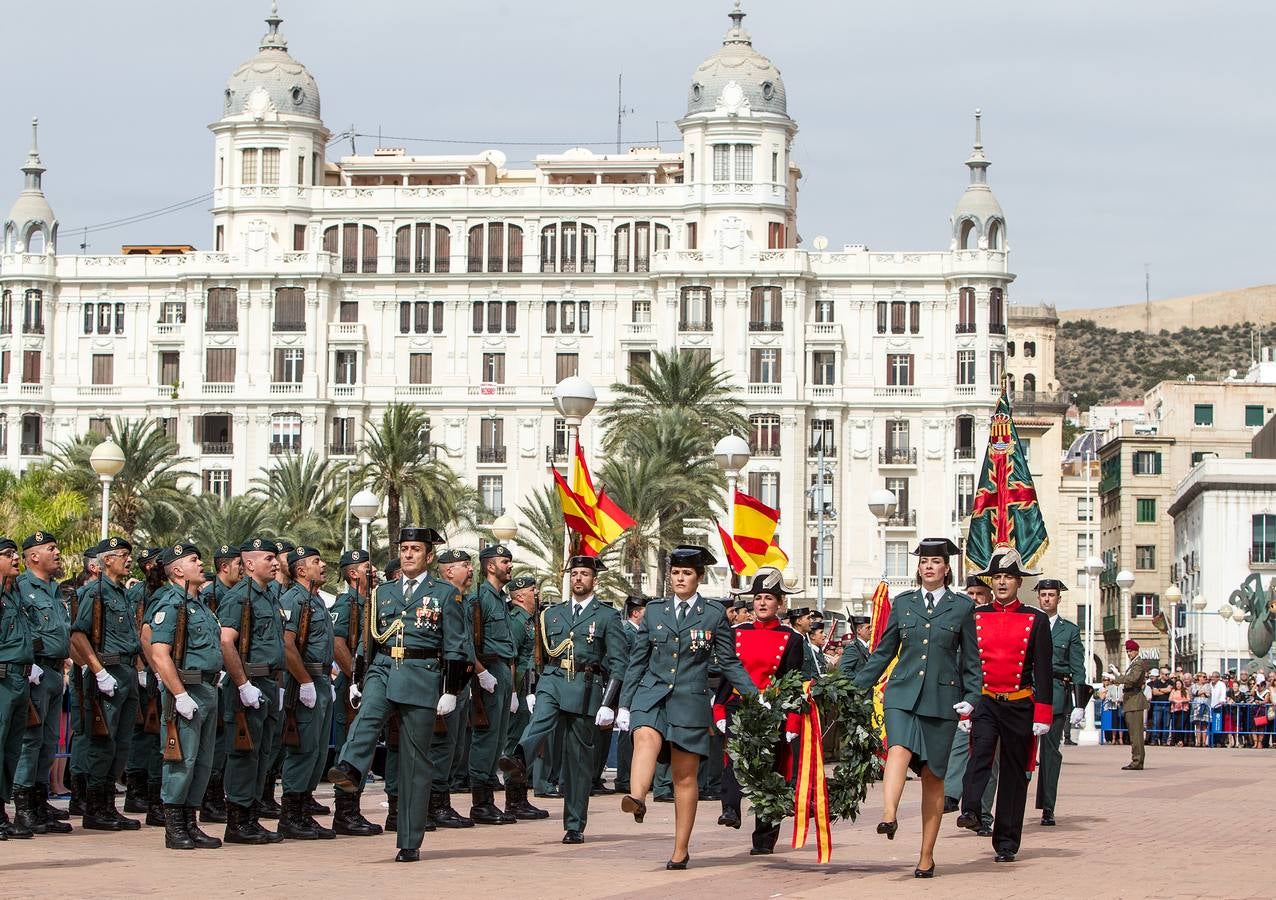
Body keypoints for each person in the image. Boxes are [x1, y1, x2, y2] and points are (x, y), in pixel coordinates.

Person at [617, 545, 758, 870]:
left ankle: (680, 850)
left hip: (690, 700)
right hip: (652, 694)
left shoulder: (711, 614)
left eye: (687, 573)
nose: (680, 579)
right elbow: (637, 661)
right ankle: (637, 798)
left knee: (683, 777)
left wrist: (753, 693)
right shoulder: (654, 611)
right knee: (645, 738)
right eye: (676, 573)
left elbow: (729, 663)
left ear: (699, 577)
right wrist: (624, 704)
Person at [334, 526, 469, 863]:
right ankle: (351, 767)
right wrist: (357, 678)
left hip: (422, 675)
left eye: (415, 549)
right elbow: (369, 639)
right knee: (366, 718)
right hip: (383, 668)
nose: (408, 554)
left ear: (429, 555)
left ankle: (409, 839)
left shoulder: (444, 594)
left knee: (413, 761)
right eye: (404, 548)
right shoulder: (383, 592)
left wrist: (450, 690)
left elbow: (456, 646)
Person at [852, 538, 980, 878]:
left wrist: (972, 697)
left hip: (942, 700)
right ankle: (889, 814)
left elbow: (971, 661)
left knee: (933, 778)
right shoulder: (904, 603)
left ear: (947, 568)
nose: (928, 566)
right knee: (897, 748)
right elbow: (883, 651)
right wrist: (854, 687)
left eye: (936, 561)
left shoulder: (962, 607)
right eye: (924, 561)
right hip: (902, 693)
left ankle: (926, 856)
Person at [500, 556, 627, 844]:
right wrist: (531, 688)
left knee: (578, 762)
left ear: (594, 579)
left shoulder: (606, 616)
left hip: (586, 688)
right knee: (540, 719)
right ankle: (520, 757)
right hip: (553, 681)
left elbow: (619, 664)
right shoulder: (552, 614)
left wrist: (610, 703)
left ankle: (574, 824)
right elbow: (540, 655)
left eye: (584, 574)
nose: (578, 578)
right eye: (575, 573)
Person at [955, 548, 1053, 865]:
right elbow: (966, 664)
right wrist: (966, 704)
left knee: (1013, 773)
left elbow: (1043, 670)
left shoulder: (1035, 620)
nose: (1001, 582)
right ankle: (970, 809)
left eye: (1007, 577)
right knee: (980, 754)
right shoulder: (976, 616)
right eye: (996, 577)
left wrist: (1043, 713)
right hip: (985, 699)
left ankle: (1007, 841)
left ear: (1017, 582)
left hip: (1020, 702)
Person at [713, 567, 806, 855]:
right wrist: (718, 708)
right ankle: (730, 809)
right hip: (738, 704)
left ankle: (764, 839)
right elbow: (727, 675)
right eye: (758, 598)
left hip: (772, 709)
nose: (762, 603)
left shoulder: (791, 639)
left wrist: (792, 720)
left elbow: (793, 684)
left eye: (768, 598)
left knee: (769, 772)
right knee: (734, 760)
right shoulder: (736, 633)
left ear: (780, 603)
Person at [146, 542, 223, 850]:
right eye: (194, 559)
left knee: (203, 761)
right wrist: (178, 694)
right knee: (181, 759)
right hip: (187, 690)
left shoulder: (200, 604)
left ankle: (190, 822)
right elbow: (160, 654)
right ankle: (174, 825)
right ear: (177, 569)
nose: (201, 563)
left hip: (206, 688)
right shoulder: (170, 604)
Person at [69, 536, 143, 832]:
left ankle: (109, 804)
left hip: (126, 672)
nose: (128, 560)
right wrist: (98, 671)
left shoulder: (122, 593)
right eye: (123, 555)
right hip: (107, 673)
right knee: (102, 742)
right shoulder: (95, 592)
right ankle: (95, 807)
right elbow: (78, 635)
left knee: (121, 743)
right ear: (107, 560)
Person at [216, 537, 285, 844]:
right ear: (249, 563)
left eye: (275, 558)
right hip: (250, 684)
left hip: (269, 682)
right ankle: (238, 821)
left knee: (262, 753)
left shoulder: (268, 595)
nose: (275, 563)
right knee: (244, 754)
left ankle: (252, 816)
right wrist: (243, 684)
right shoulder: (239, 597)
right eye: (269, 558)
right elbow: (226, 641)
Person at [14, 532, 71, 837]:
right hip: (34, 671)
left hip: (53, 672)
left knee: (49, 742)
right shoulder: (23, 587)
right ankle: (23, 809)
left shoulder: (53, 589)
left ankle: (38, 804)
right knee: (30, 741)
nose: (58, 552)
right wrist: (30, 659)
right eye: (51, 548)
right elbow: (20, 627)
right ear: (33, 556)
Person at [277, 547, 336, 840]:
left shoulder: (316, 601)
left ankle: (303, 810)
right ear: (301, 570)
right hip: (304, 681)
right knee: (302, 749)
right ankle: (291, 815)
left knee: (317, 749)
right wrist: (305, 682)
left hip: (320, 679)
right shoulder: (293, 600)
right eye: (316, 562)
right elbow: (287, 646)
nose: (322, 565)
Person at [328, 549, 381, 837]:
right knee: (351, 747)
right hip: (352, 687)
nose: (373, 572)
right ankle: (345, 813)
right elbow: (337, 643)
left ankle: (353, 810)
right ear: (352, 573)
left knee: (364, 746)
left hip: (365, 685)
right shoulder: (347, 603)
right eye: (366, 567)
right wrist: (355, 679)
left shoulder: (370, 602)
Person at [424, 547, 476, 829]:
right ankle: (435, 805)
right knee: (442, 746)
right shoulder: (439, 597)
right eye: (464, 565)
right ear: (447, 570)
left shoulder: (461, 599)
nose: (470, 570)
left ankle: (439, 802)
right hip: (443, 680)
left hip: (460, 680)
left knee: (454, 747)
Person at [941, 575, 996, 832]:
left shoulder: (995, 621)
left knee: (988, 758)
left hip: (991, 696)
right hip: (962, 697)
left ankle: (981, 813)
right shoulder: (958, 619)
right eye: (970, 593)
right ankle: (951, 796)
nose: (974, 598)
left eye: (979, 594)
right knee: (958, 748)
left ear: (989, 596)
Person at [1033, 578, 1085, 828]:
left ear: (1058, 599)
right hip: (1028, 694)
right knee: (1020, 752)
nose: (1046, 599)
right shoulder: (1029, 622)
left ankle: (1048, 806)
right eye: (1043, 594)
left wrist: (1080, 703)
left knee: (1050, 753)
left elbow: (1078, 669)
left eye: (1051, 595)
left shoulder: (1069, 630)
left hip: (1055, 694)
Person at [198, 544, 241, 825]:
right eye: (238, 563)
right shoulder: (212, 595)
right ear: (225, 567)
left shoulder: (235, 594)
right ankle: (210, 800)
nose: (242, 568)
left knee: (226, 740)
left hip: (229, 676)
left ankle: (218, 796)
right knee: (217, 740)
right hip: (218, 676)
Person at [501, 574, 546, 821]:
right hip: (518, 688)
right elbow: (511, 659)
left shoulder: (530, 621)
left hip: (527, 688)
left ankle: (520, 798)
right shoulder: (518, 622)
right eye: (532, 589)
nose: (536, 593)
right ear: (519, 596)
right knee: (515, 742)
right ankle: (514, 801)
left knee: (523, 741)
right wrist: (514, 693)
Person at [0, 537, 34, 841]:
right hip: (2, 679)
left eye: (14, 554)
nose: (14, 558)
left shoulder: (15, 596)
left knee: (11, 749)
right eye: (8, 554)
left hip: (20, 678)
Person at [613, 595, 649, 795]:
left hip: (639, 686)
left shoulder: (639, 632)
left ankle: (631, 776)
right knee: (626, 733)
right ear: (636, 613)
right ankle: (624, 778)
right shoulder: (627, 631)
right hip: (630, 686)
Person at [1109, 639, 1148, 769]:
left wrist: (1116, 679)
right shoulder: (1134, 663)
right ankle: (1136, 759)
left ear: (1136, 650)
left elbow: (1133, 679)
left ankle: (1137, 761)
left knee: (1136, 734)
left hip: (1135, 700)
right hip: (1131, 700)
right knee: (1133, 733)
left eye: (1130, 651)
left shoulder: (1138, 664)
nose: (1128, 653)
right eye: (1127, 651)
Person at [836, 615, 872, 679]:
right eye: (868, 628)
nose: (871, 630)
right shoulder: (853, 648)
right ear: (858, 630)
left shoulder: (862, 647)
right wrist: (863, 679)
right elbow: (844, 671)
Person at [1190, 672, 1211, 747]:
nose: (1205, 678)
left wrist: (1200, 693)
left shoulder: (1208, 686)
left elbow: (1208, 694)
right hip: (1196, 706)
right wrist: (1201, 692)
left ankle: (1204, 742)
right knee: (1198, 724)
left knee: (1205, 724)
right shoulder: (1194, 685)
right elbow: (1195, 692)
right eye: (1204, 677)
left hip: (1205, 705)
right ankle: (1198, 742)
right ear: (1199, 677)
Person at [1168, 678, 1189, 747]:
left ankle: (1180, 740)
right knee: (1175, 726)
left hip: (1183, 710)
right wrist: (1174, 701)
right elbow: (1170, 698)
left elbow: (1188, 699)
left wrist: (1182, 701)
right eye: (1176, 684)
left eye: (1179, 684)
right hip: (1175, 709)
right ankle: (1176, 741)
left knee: (1180, 726)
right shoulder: (1173, 691)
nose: (1178, 685)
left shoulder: (1185, 691)